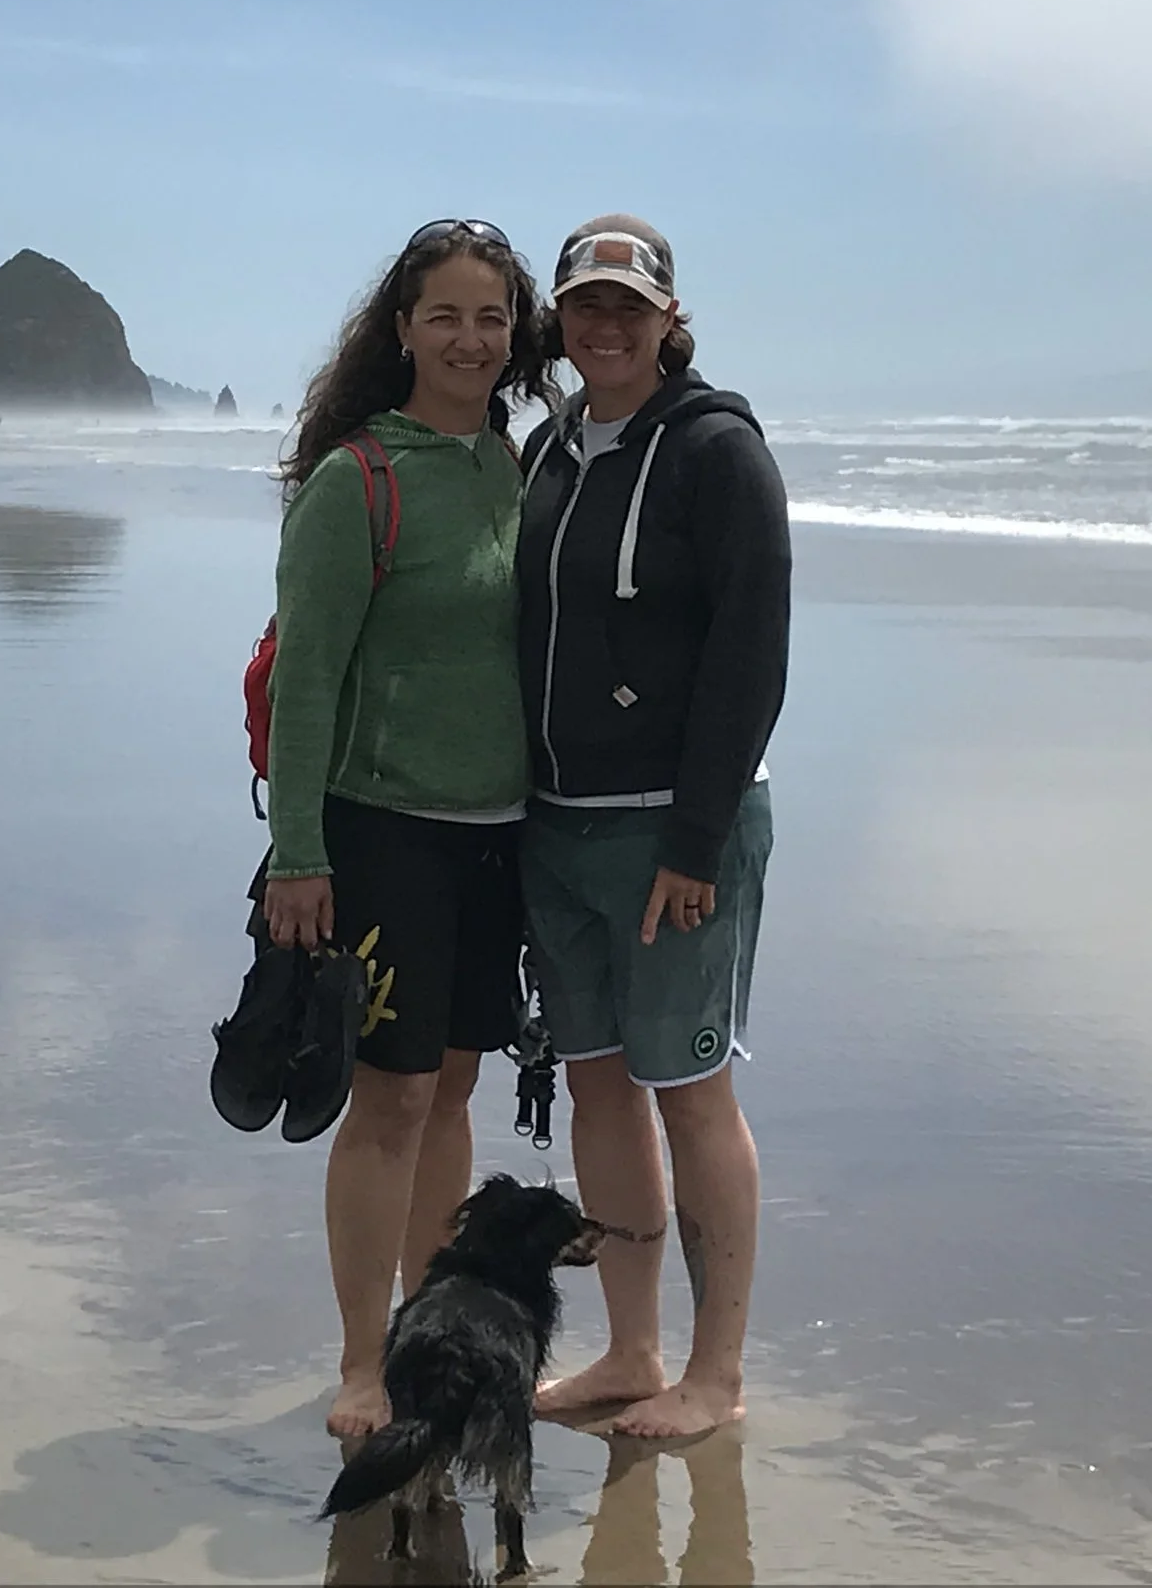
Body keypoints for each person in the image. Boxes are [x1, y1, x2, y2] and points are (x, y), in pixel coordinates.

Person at [258, 218, 556, 1439]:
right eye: (445, 315)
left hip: (499, 835)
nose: (470, 339)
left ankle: (439, 1337)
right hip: (382, 832)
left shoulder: (515, 465)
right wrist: (299, 853)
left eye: (492, 318)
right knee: (386, 1102)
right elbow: (306, 679)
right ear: (400, 330)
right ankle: (360, 1364)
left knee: (451, 1093)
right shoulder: (356, 480)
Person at [515, 214, 790, 1439]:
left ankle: (714, 1377)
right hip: (556, 825)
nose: (607, 325)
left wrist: (694, 839)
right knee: (598, 1092)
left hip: (675, 835)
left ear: (670, 319)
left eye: (630, 305)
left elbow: (750, 655)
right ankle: (631, 1352)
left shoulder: (717, 452)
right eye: (587, 304)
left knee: (691, 1092)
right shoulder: (549, 449)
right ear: (560, 321)